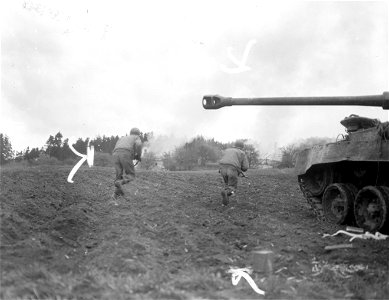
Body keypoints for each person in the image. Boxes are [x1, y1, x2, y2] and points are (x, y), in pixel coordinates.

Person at [112, 127, 143, 198]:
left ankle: (116, 195)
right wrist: (138, 155)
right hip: (125, 154)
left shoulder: (122, 138)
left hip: (115, 154)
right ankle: (119, 183)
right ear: (138, 133)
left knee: (118, 175)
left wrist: (132, 155)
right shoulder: (136, 137)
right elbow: (138, 145)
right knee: (131, 175)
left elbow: (120, 149)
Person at [219, 140, 249, 205]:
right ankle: (226, 193)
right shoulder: (242, 153)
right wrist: (241, 169)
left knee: (227, 184)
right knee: (232, 187)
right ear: (242, 147)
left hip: (222, 169)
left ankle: (225, 202)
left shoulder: (227, 150)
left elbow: (223, 159)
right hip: (232, 169)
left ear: (234, 145)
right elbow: (245, 167)